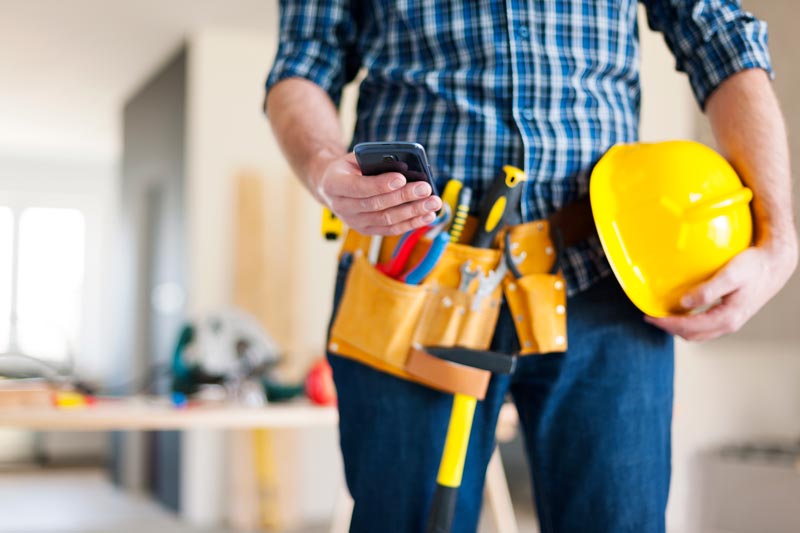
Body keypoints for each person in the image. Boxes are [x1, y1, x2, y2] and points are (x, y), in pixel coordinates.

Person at [264, 1, 798, 531]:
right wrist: (324, 169)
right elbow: (303, 64)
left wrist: (778, 236)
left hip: (605, 276)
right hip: (413, 278)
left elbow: (720, 37)